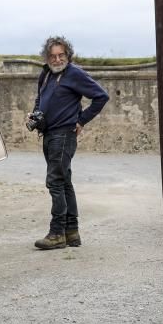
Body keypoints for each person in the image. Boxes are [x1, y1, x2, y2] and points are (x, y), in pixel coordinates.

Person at [31, 36, 109, 250]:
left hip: (64, 134)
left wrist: (81, 120)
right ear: (46, 57)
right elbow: (40, 98)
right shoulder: (46, 74)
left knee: (55, 181)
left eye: (61, 55)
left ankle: (57, 233)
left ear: (68, 56)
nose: (57, 59)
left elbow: (101, 96)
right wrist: (36, 114)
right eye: (53, 56)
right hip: (49, 133)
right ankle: (72, 233)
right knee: (64, 181)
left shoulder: (74, 73)